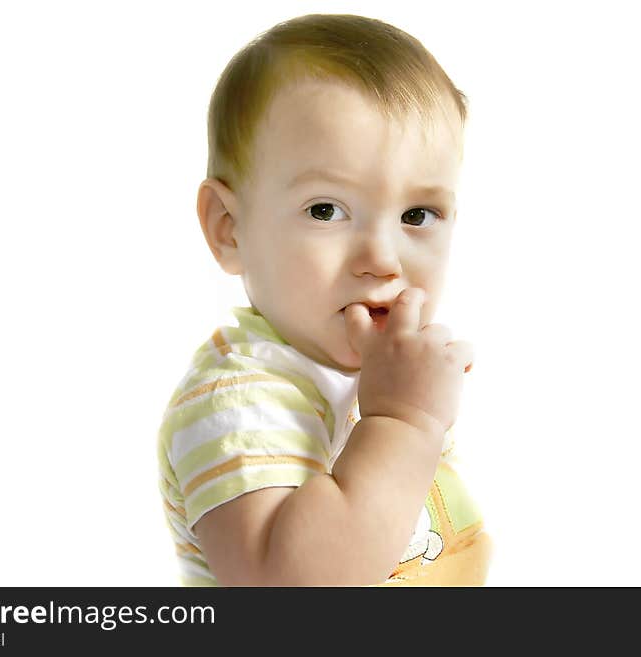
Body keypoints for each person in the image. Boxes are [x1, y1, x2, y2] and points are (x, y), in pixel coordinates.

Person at [157, 13, 491, 586]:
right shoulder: (239, 401)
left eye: (417, 215)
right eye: (325, 210)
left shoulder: (383, 377)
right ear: (230, 229)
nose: (382, 258)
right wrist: (406, 423)